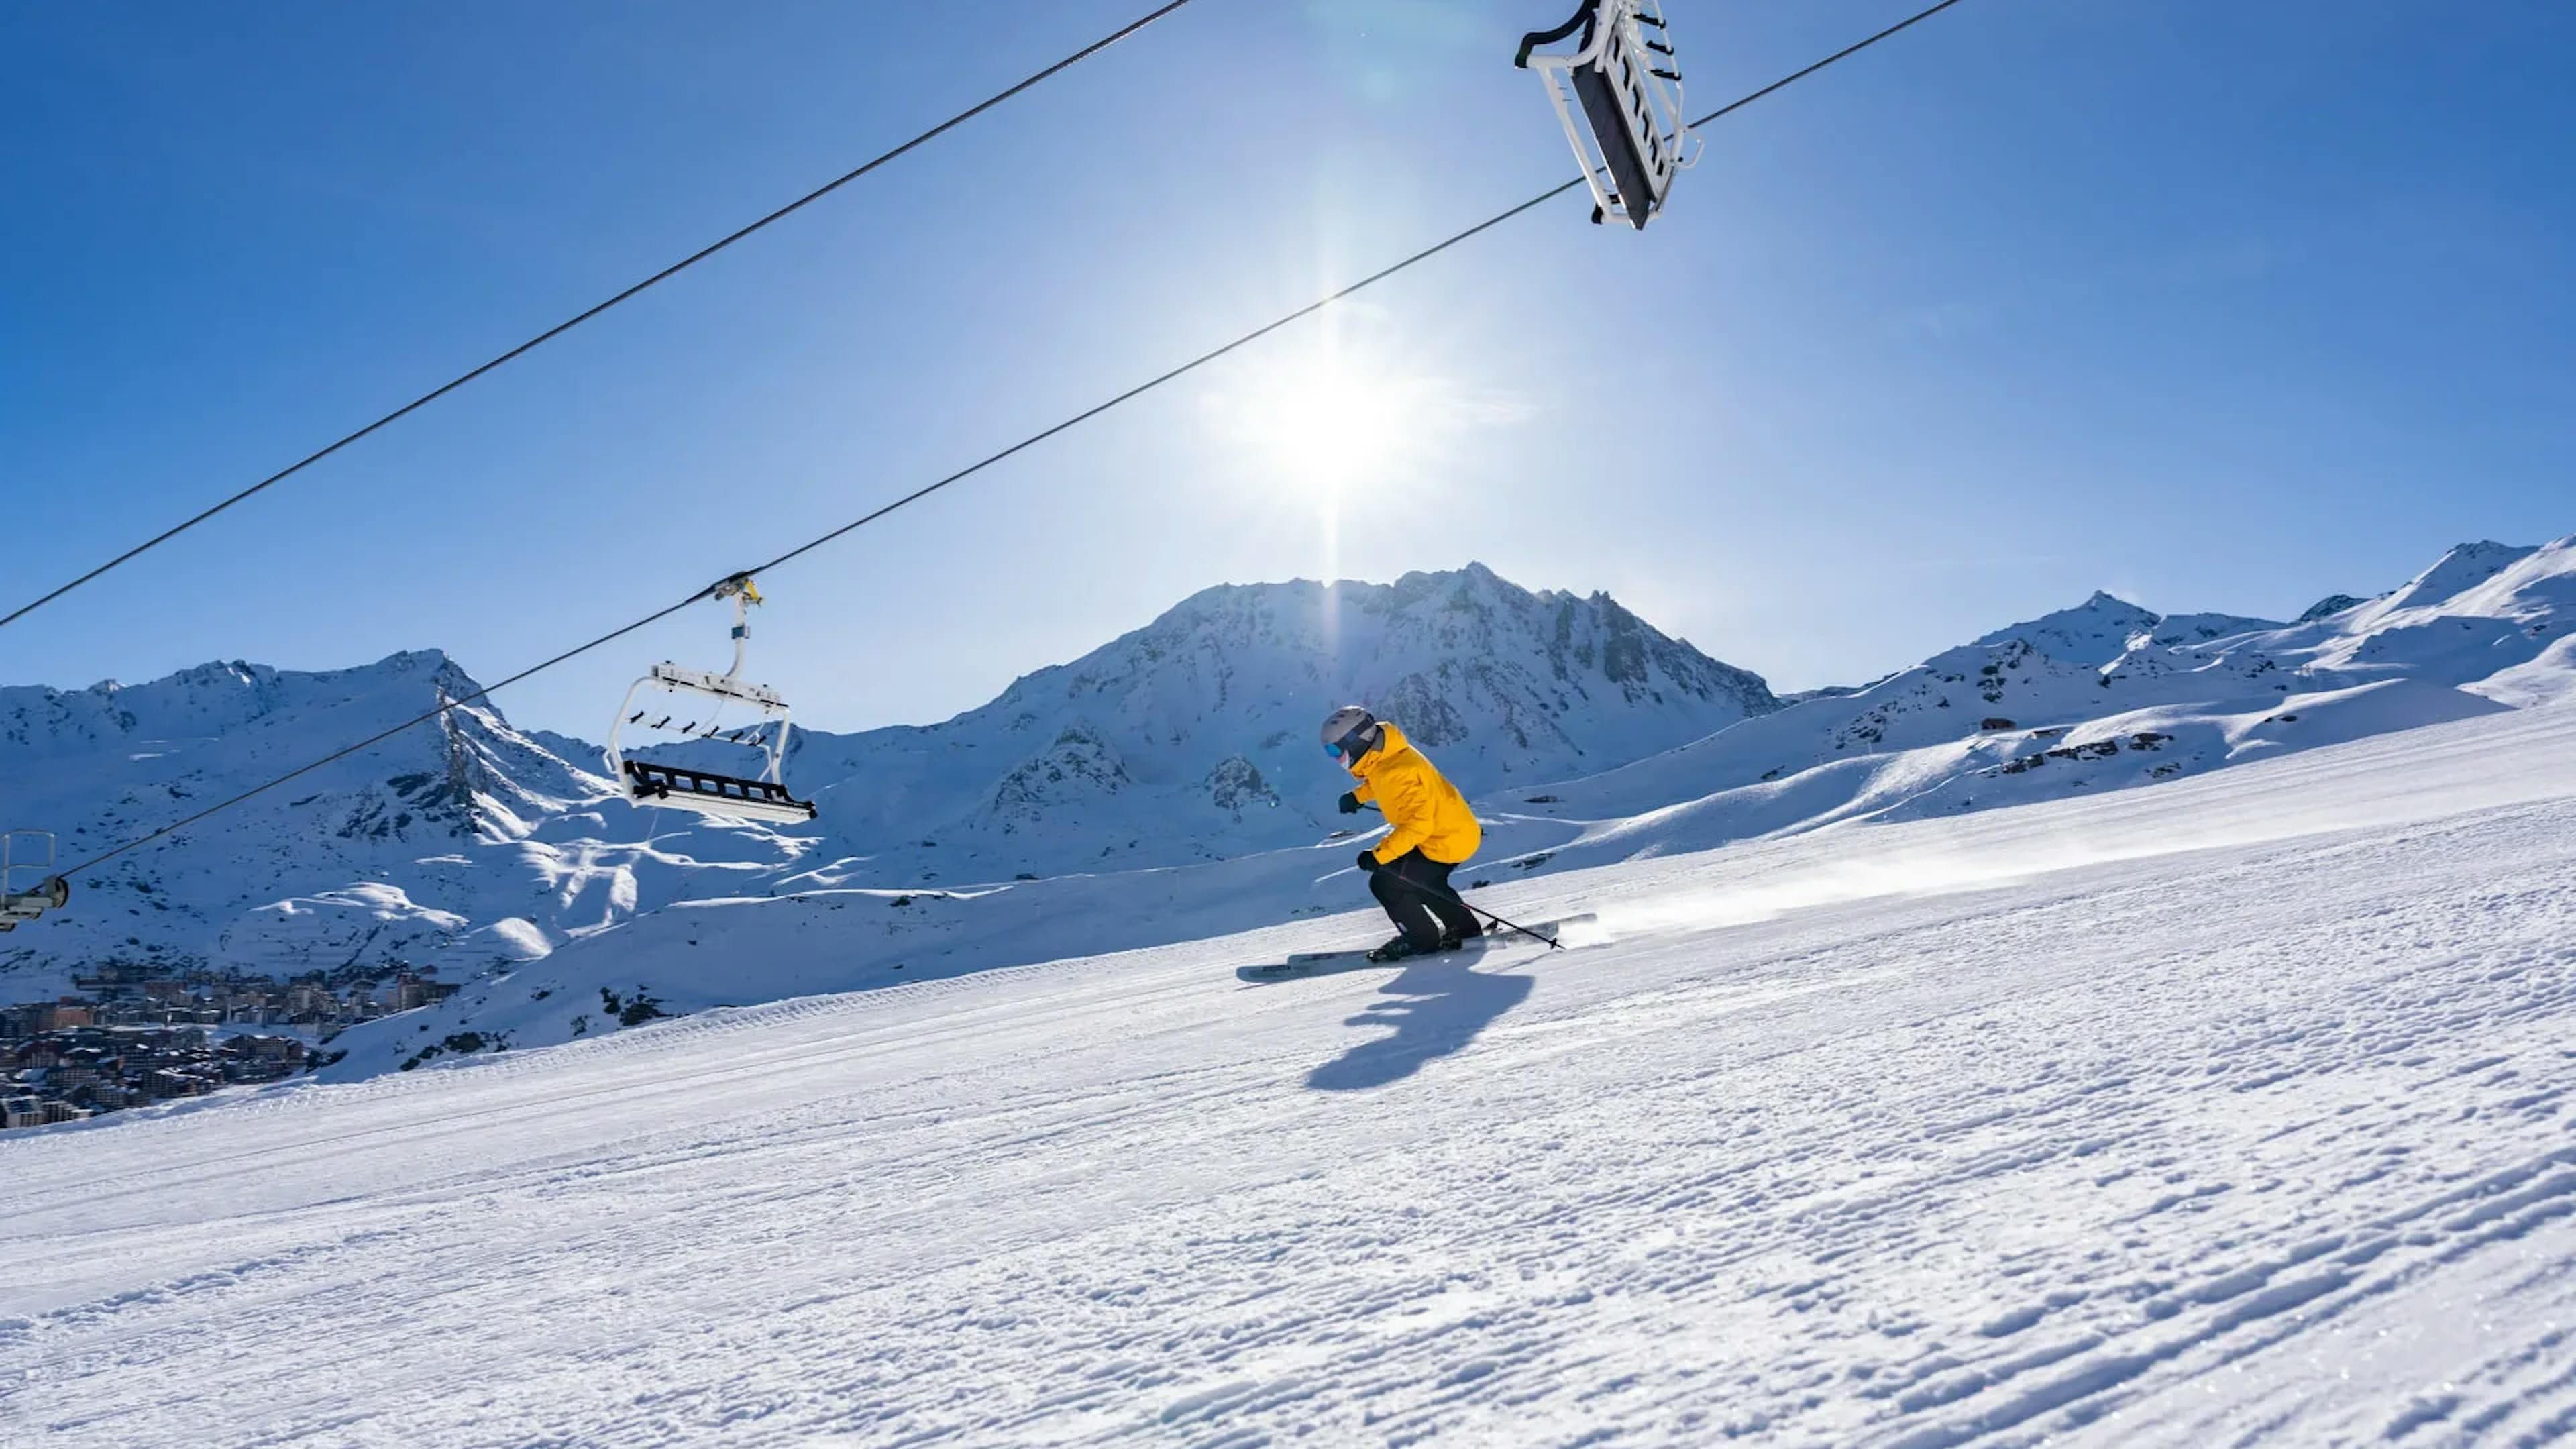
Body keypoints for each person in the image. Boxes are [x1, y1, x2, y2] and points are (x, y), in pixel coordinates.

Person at [1320, 705, 1485, 961]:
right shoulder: (1386, 755)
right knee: (1422, 880)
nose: (1335, 758)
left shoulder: (1399, 770)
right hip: (1453, 833)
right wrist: (1357, 796)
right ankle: (1465, 930)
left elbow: (1418, 826)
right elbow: (1381, 780)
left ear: (1356, 742)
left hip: (1443, 841)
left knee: (1386, 882)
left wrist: (1379, 856)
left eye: (1335, 751)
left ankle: (1421, 941)